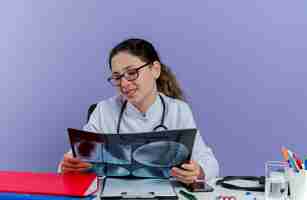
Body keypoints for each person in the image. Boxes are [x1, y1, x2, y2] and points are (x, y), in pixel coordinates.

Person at [59, 38, 219, 185]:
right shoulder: (103, 110)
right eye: (117, 77)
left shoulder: (178, 110)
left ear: (155, 70)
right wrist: (69, 166)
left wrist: (198, 171)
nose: (124, 83)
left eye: (131, 73)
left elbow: (208, 161)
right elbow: (73, 160)